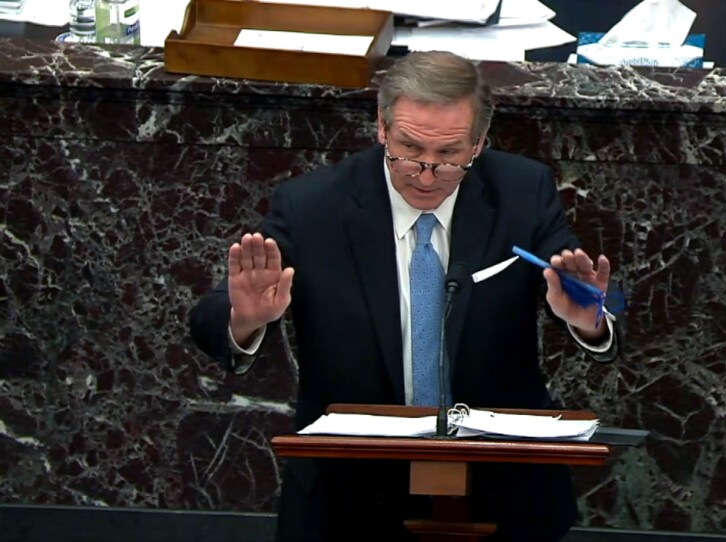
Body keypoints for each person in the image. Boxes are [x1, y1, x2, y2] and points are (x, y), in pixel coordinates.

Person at [189, 50, 620, 542]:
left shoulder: (523, 191)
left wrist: (590, 316)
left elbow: (597, 292)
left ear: (478, 143)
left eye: (449, 156)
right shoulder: (312, 206)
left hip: (499, 482)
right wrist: (245, 319)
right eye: (409, 150)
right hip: (349, 490)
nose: (426, 174)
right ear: (382, 127)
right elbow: (209, 319)